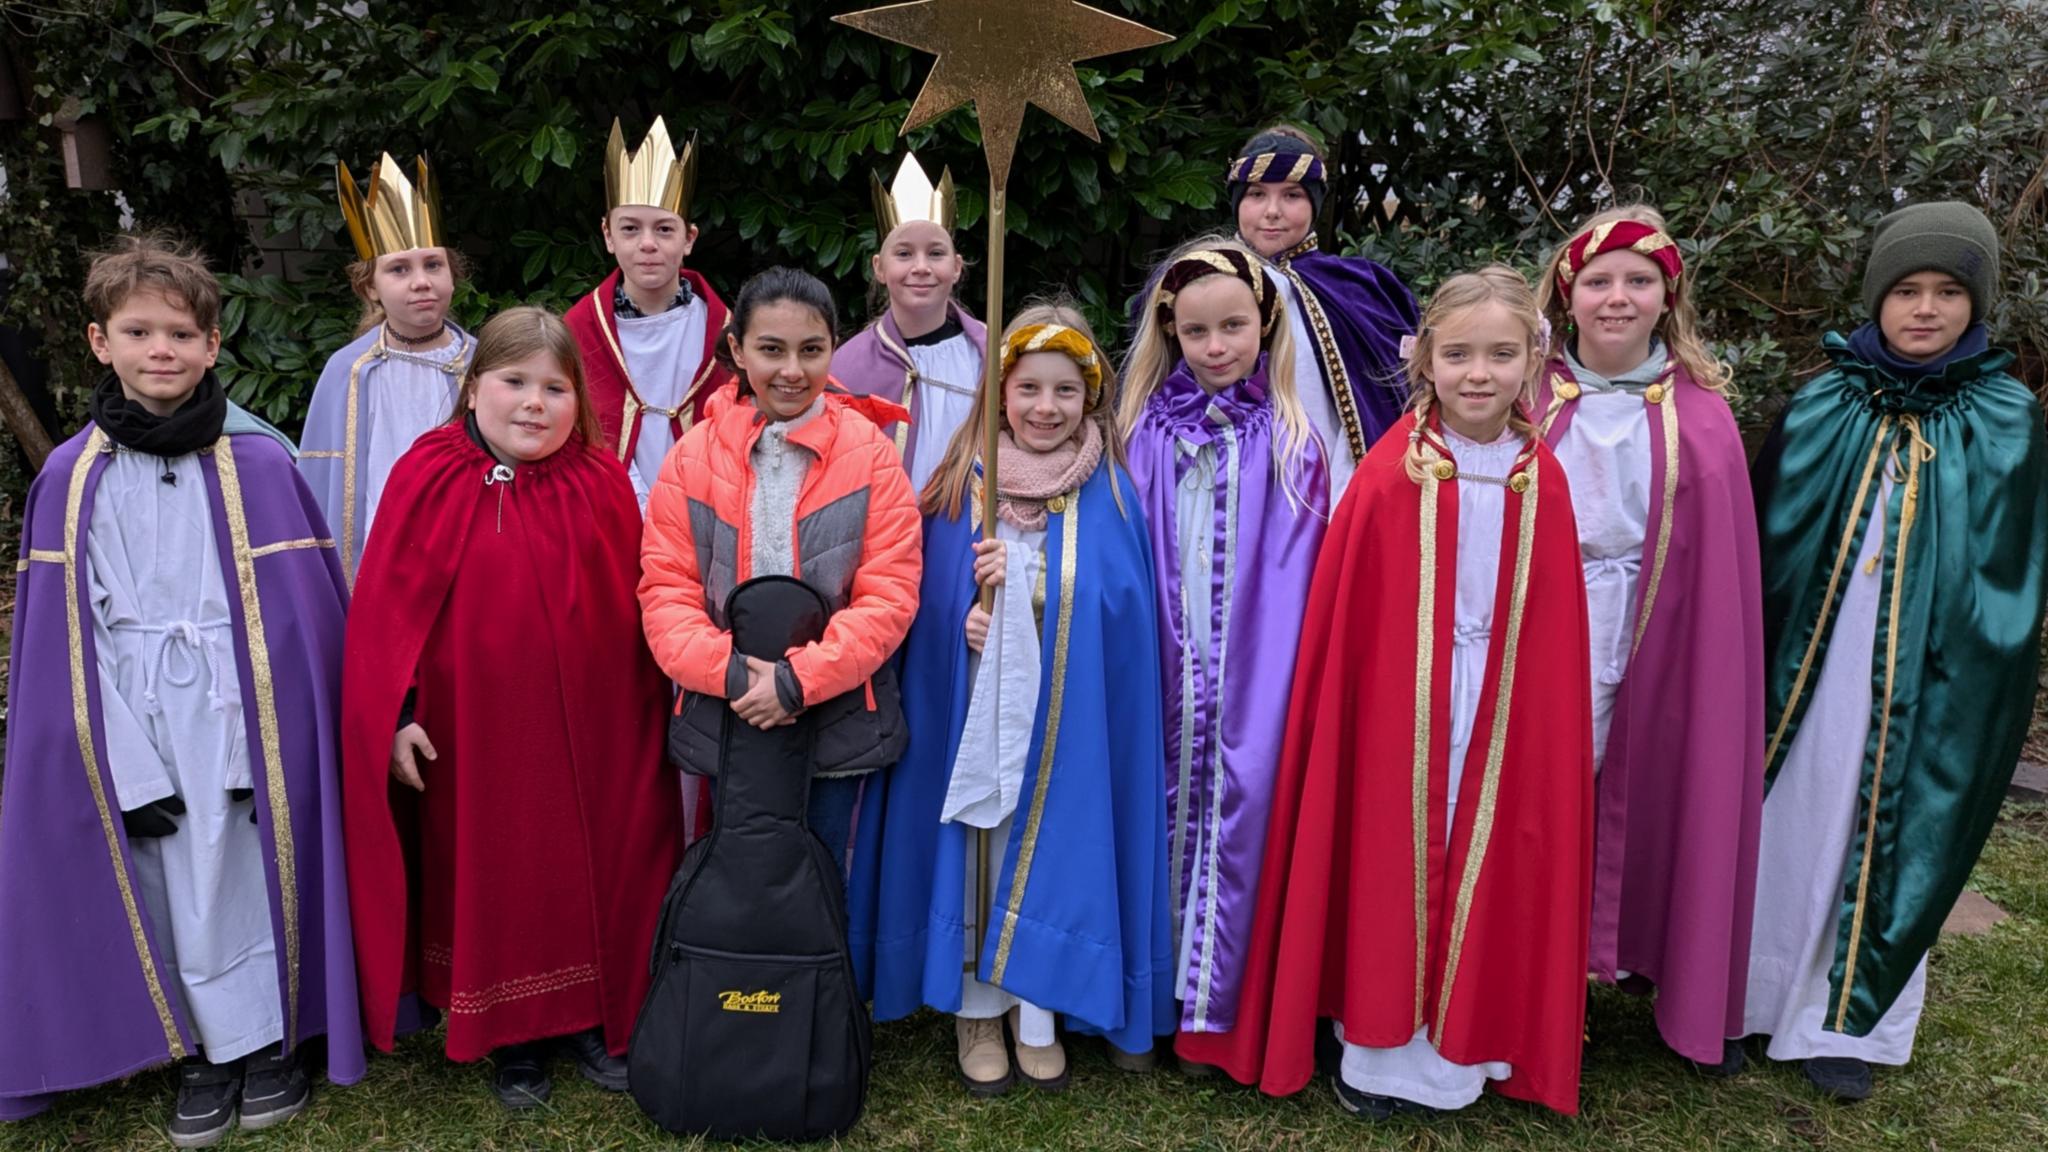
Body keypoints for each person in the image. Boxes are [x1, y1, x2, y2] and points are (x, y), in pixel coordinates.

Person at [1179, 265, 1594, 1119]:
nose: (1479, 373)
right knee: (1389, 862)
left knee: (1486, 854)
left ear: (1535, 361)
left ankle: (1462, 1056)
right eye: (1460, 354)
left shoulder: (1541, 477)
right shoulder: (1388, 472)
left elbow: (1551, 632)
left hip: (1499, 707)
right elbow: (1356, 622)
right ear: (1424, 361)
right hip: (1399, 717)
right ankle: (1376, 1057)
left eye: (1502, 354)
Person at [0, 234, 361, 1145]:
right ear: (99, 342)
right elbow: (65, 642)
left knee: (247, 867)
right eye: (139, 331)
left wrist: (257, 742)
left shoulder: (263, 465)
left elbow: (297, 625)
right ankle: (204, 1051)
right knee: (161, 873)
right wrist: (121, 760)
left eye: (180, 333)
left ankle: (270, 1041)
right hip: (132, 711)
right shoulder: (68, 478)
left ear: (212, 346)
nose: (161, 349)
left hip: (246, 709)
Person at [1741, 201, 2047, 1100]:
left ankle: (1848, 1026)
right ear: (1875, 297)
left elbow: (2010, 574)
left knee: (1888, 830)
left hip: (1930, 677)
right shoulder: (1822, 401)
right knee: (1782, 820)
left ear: (1976, 302)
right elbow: (1764, 544)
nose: (1924, 309)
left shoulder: (2006, 417)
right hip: (1805, 664)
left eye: (1948, 291)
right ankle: (1748, 997)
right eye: (1906, 289)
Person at [340, 307, 680, 1110]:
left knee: (601, 868)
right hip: (472, 733)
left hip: (601, 729)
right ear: (474, 388)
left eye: (555, 388)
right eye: (514, 382)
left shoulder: (599, 481)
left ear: (580, 401)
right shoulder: (426, 474)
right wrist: (398, 714)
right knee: (498, 872)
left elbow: (634, 606)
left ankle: (596, 1016)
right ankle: (511, 1034)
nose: (534, 403)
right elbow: (388, 612)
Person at [853, 305, 1174, 1096]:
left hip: (1068, 721)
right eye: (1028, 388)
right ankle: (975, 1007)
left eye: (1066, 391)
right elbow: (919, 601)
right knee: (979, 847)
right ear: (1001, 392)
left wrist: (1041, 597)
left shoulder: (1113, 494)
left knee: (1057, 849)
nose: (1045, 408)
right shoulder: (963, 483)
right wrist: (963, 607)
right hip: (975, 715)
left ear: (1090, 398)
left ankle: (1040, 1008)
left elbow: (1121, 611)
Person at [1529, 205, 1765, 1074]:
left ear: (1668, 298)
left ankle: (1659, 976)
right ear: (1568, 293)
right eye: (1598, 281)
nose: (1617, 298)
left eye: (1638, 282)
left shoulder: (1703, 418)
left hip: (1657, 632)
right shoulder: (1524, 395)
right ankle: (1524, 986)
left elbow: (1719, 561)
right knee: (1538, 799)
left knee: (1659, 791)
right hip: (1541, 623)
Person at [638, 267, 921, 882]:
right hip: (728, 711)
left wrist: (797, 683)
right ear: (737, 349)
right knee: (732, 884)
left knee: (818, 883)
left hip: (833, 713)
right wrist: (737, 676)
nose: (792, 370)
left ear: (832, 349)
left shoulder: (871, 453)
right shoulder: (694, 455)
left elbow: (889, 595)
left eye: (811, 350)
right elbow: (666, 589)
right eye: (771, 349)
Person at [1119, 237, 1328, 1047]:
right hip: (1164, 667)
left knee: (1241, 814)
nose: (1215, 347)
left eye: (1233, 328)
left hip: (1250, 673)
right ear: (1171, 332)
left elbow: (1296, 571)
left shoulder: (1291, 443)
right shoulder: (1140, 432)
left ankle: (1217, 1013)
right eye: (1196, 332)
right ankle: (1146, 1008)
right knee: (1152, 810)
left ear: (1264, 327)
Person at [300, 153, 476, 584]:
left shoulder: (483, 363)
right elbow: (321, 489)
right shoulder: (348, 371)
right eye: (399, 269)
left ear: (452, 275)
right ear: (370, 288)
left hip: (469, 555)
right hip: (379, 563)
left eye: (433, 265)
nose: (421, 282)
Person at [1225, 124, 1419, 498]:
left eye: (1292, 195)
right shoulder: (1197, 283)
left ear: (1315, 201)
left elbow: (1403, 391)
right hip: (1231, 487)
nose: (1272, 211)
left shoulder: (1361, 288)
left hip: (1331, 487)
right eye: (1256, 194)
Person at [563, 117, 733, 512]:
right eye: (630, 229)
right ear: (607, 235)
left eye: (664, 230)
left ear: (689, 238)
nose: (647, 244)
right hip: (607, 510)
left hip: (707, 508)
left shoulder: (727, 332)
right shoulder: (579, 330)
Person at [833, 152, 987, 491]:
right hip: (888, 535)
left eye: (936, 253)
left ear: (957, 267)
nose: (921, 266)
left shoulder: (991, 354)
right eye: (904, 254)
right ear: (879, 267)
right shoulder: (847, 367)